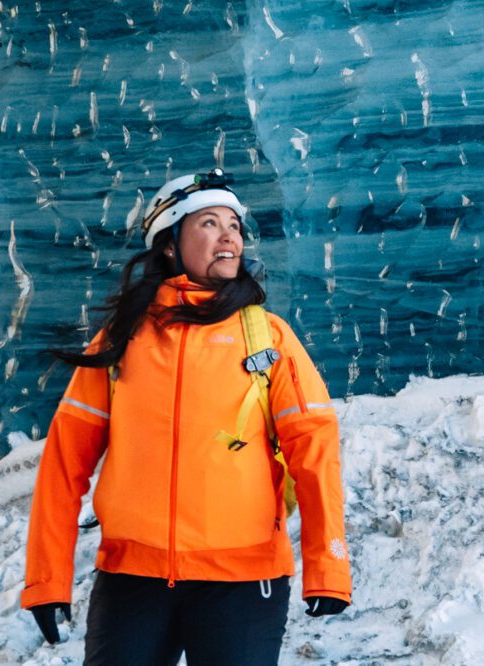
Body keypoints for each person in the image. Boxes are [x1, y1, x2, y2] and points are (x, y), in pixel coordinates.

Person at [22, 168, 352, 664]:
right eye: (209, 223)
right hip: (133, 580)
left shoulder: (269, 338)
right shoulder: (123, 338)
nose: (229, 237)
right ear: (170, 244)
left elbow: (315, 452)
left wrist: (328, 568)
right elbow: (64, 464)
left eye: (235, 226)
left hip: (243, 582)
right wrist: (47, 579)